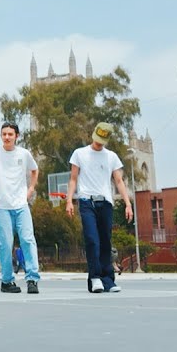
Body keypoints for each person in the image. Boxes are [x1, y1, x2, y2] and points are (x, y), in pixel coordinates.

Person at [65, 122, 133, 294]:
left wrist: (127, 204)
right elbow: (73, 179)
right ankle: (95, 277)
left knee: (105, 241)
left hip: (106, 203)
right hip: (87, 201)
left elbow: (119, 181)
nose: (98, 143)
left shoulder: (111, 157)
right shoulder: (79, 153)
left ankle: (108, 279)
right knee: (92, 239)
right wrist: (69, 201)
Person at [0, 122, 42, 294]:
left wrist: (31, 189)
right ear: (1, 136)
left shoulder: (24, 154)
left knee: (28, 240)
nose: (7, 137)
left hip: (21, 205)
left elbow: (35, 170)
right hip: (2, 206)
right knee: (5, 244)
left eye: (10, 134)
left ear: (16, 136)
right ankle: (6, 281)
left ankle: (32, 279)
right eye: (4, 134)